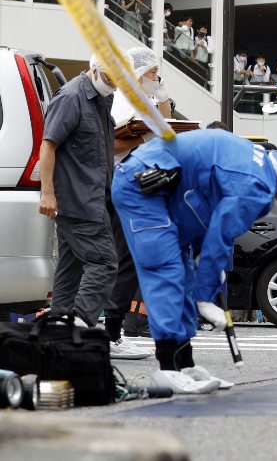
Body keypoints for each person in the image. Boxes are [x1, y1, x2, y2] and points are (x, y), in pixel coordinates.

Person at [111, 130, 277, 392]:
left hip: (170, 189)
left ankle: (184, 365)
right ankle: (167, 368)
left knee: (185, 274)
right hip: (144, 185)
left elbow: (211, 228)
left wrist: (206, 280)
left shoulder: (260, 168)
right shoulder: (257, 186)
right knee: (166, 271)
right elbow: (221, 234)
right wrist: (204, 298)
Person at [38, 54, 125, 328]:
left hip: (93, 197)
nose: (114, 85)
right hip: (79, 200)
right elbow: (48, 145)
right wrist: (47, 193)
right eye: (111, 78)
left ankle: (58, 327)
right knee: (104, 263)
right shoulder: (70, 97)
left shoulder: (103, 98)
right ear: (95, 69)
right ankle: (79, 323)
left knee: (71, 266)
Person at [106, 47, 172, 360]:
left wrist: (161, 96)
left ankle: (112, 329)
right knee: (124, 259)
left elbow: (166, 130)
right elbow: (111, 142)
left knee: (131, 258)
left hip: (143, 185)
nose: (156, 77)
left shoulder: (146, 98)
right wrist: (144, 137)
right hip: (121, 185)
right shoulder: (119, 99)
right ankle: (111, 331)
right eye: (151, 72)